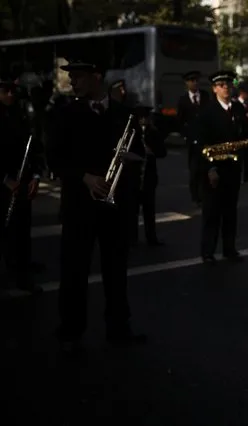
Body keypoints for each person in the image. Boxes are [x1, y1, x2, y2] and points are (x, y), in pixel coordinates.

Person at [47, 59, 146, 352]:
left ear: (96, 77)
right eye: (71, 77)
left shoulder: (124, 113)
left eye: (78, 77)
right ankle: (71, 331)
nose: (72, 82)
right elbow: (54, 158)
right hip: (79, 205)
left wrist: (131, 160)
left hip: (115, 208)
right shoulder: (64, 113)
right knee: (74, 271)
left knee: (116, 271)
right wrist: (84, 177)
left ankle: (119, 327)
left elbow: (138, 152)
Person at [195, 70, 248, 264]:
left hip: (233, 168)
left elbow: (244, 134)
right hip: (215, 168)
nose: (226, 87)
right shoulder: (207, 111)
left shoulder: (237, 108)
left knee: (230, 212)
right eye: (221, 85)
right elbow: (201, 144)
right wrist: (210, 169)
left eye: (228, 84)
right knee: (211, 212)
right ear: (214, 88)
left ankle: (229, 249)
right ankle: (208, 252)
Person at [0, 79, 44, 294]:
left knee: (22, 229)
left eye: (12, 90)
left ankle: (22, 273)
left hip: (22, 180)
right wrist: (5, 180)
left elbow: (34, 147)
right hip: (5, 183)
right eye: (5, 91)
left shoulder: (20, 115)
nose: (10, 94)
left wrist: (35, 175)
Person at [133, 105, 167, 246]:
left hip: (149, 175)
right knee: (133, 209)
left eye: (146, 117)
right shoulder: (132, 133)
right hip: (134, 175)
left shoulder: (154, 132)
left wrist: (151, 151)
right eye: (141, 118)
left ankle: (151, 237)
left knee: (149, 209)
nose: (144, 120)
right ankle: (132, 238)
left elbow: (162, 152)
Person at [177, 70, 210, 205]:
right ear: (187, 83)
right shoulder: (183, 100)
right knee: (194, 170)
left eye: (196, 80)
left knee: (206, 168)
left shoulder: (205, 96)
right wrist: (186, 135)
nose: (194, 83)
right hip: (192, 140)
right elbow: (180, 121)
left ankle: (204, 195)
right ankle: (195, 196)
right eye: (191, 81)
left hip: (205, 138)